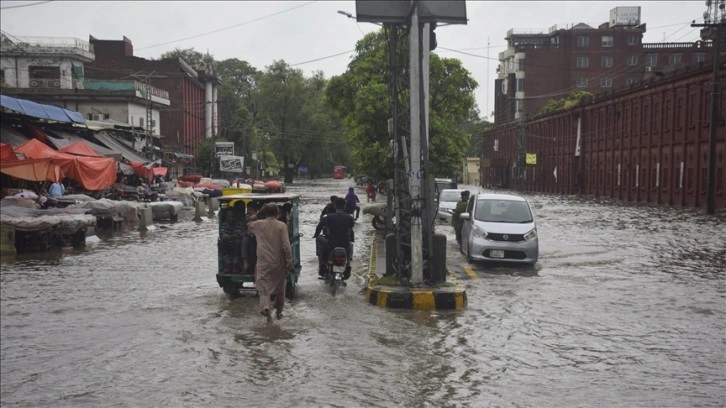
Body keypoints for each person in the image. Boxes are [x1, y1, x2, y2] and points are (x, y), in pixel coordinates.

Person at [249, 203, 293, 323]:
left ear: (265, 213)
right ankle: (279, 313)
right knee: (280, 288)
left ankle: (266, 310)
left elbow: (247, 224)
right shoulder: (281, 226)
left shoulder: (258, 224)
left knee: (264, 289)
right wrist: (289, 261)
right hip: (278, 263)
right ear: (277, 213)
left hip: (263, 263)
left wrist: (258, 214)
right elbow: (287, 246)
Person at [313, 197, 355, 282]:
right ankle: (349, 264)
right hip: (345, 244)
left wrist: (316, 235)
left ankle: (321, 262)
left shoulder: (328, 217)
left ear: (335, 205)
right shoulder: (349, 218)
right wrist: (350, 239)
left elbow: (319, 226)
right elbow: (350, 231)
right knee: (351, 245)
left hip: (331, 244)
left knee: (318, 239)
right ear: (344, 206)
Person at [219, 207, 244, 274]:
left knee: (237, 242)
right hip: (227, 242)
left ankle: (235, 265)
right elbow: (223, 234)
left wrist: (229, 237)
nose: (231, 218)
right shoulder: (224, 224)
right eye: (229, 216)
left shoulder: (238, 223)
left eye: (232, 216)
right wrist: (227, 237)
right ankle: (228, 265)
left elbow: (238, 234)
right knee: (222, 242)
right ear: (226, 216)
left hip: (236, 242)